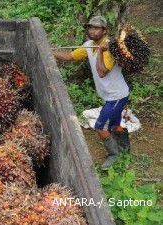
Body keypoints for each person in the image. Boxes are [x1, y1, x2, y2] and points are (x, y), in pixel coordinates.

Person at [53, 16, 130, 170]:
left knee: (100, 126)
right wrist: (52, 52)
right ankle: (124, 149)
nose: (93, 31)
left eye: (97, 28)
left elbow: (102, 72)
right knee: (114, 124)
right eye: (90, 28)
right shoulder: (89, 45)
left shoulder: (111, 48)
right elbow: (70, 56)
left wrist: (101, 53)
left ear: (104, 31)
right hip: (112, 95)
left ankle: (114, 155)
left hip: (117, 95)